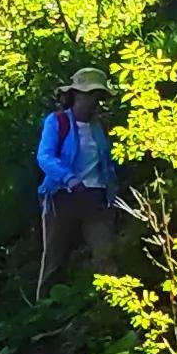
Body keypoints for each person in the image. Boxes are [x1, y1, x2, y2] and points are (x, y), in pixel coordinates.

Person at [35, 69, 119, 298]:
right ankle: (43, 311)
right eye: (87, 94)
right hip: (62, 196)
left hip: (96, 197)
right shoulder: (57, 121)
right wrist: (69, 178)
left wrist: (112, 190)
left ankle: (113, 304)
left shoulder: (100, 126)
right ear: (75, 95)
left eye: (96, 95)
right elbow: (45, 156)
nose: (92, 100)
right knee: (55, 258)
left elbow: (109, 162)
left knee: (105, 253)